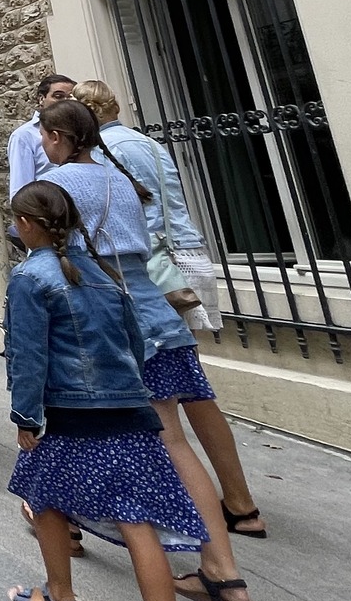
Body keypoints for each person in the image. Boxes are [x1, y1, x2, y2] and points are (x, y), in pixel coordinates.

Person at [36, 99, 258, 601]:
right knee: (176, 442)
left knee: (103, 435)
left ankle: (66, 535)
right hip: (158, 314)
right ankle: (222, 569)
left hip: (117, 321)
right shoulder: (119, 177)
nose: (42, 144)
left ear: (60, 137)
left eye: (46, 134)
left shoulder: (61, 181)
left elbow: (50, 249)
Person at [3, 179, 208, 601]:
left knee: (43, 496)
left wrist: (25, 415)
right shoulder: (105, 273)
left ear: (26, 225)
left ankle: (59, 598)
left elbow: (29, 355)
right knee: (137, 521)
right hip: (130, 409)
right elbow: (135, 342)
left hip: (72, 411)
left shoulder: (31, 277)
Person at [73, 80, 265, 538]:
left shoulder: (101, 151)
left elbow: (126, 218)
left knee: (154, 394)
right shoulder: (146, 142)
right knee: (192, 387)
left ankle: (167, 505)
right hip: (189, 256)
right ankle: (239, 502)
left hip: (154, 268)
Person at [8, 73, 76, 199]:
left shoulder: (80, 130)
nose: (66, 102)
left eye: (70, 97)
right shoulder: (24, 136)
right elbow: (20, 190)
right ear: (41, 99)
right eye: (58, 96)